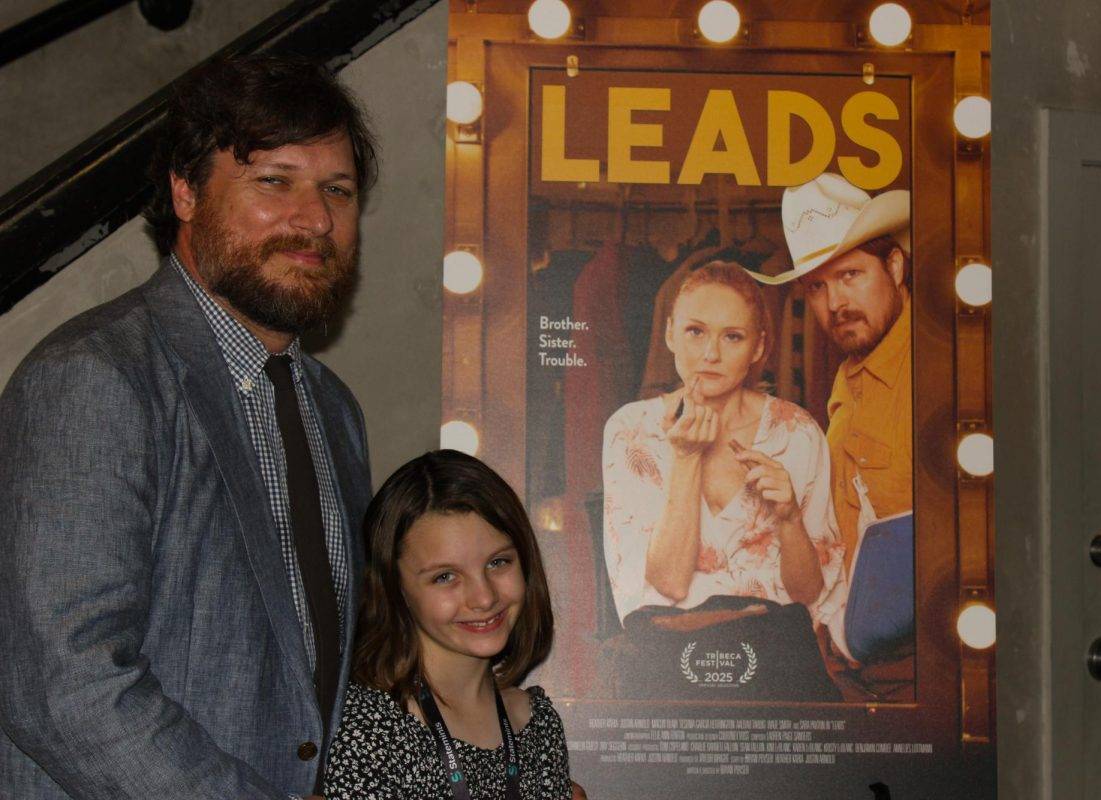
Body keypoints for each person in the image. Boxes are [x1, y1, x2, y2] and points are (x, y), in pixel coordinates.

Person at [0, 56, 375, 799]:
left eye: (338, 189)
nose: (316, 218)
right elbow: (63, 682)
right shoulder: (95, 377)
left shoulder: (335, 411)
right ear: (185, 191)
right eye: (275, 180)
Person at [601, 261, 847, 700]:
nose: (711, 354)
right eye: (696, 331)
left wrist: (789, 517)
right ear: (670, 332)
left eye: (732, 336)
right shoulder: (630, 430)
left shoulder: (797, 432)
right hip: (667, 673)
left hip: (777, 673)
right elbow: (671, 583)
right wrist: (686, 459)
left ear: (758, 347)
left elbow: (808, 592)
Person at [748, 172, 915, 701]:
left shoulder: (940, 373)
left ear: (894, 266)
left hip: (918, 678)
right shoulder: (849, 375)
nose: (834, 303)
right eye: (817, 286)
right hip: (853, 675)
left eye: (850, 275)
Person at [322, 449, 572, 799]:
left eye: (498, 562)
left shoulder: (537, 724)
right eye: (445, 577)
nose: (483, 597)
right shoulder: (371, 728)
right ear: (396, 588)